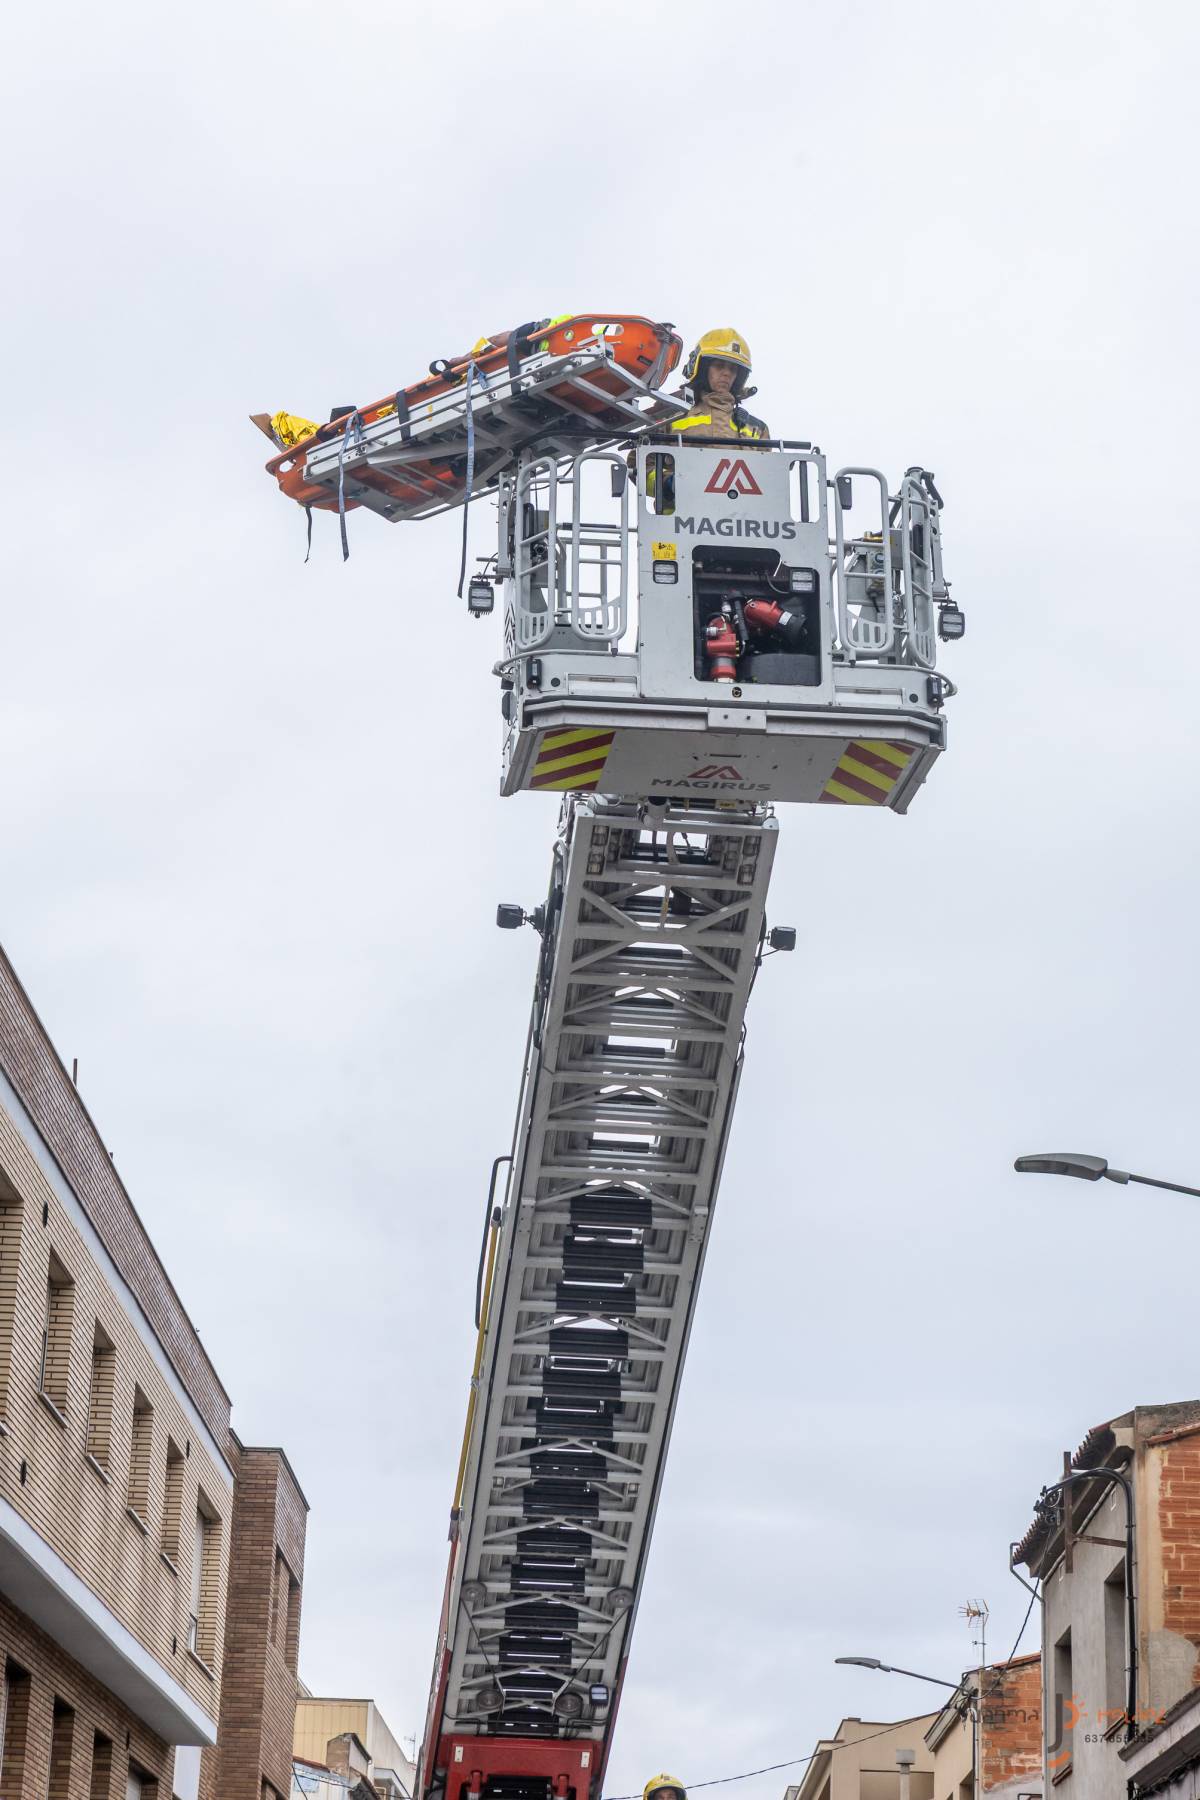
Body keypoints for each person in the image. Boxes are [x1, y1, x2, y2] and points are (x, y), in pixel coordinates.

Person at [671, 328, 769, 441]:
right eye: (719, 366)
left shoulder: (758, 430)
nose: (727, 373)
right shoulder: (670, 419)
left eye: (732, 369)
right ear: (703, 369)